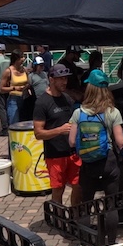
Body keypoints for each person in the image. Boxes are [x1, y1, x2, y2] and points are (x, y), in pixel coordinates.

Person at [74, 70, 123, 215]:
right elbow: (120, 142)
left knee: (86, 203)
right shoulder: (113, 112)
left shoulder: (79, 112)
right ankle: (110, 238)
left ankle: (85, 236)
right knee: (111, 204)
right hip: (108, 161)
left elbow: (72, 141)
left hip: (87, 163)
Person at [31, 63, 81, 206]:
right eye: (60, 79)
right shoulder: (42, 102)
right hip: (55, 154)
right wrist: (59, 130)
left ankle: (75, 216)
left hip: (72, 152)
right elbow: (38, 133)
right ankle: (59, 220)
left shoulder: (67, 98)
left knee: (78, 186)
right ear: (51, 79)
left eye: (65, 79)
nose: (64, 82)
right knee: (58, 189)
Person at [0, 51, 32, 125]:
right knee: (14, 123)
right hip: (14, 99)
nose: (23, 59)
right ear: (16, 59)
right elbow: (1, 89)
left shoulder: (24, 70)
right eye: (21, 57)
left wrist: (27, 86)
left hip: (25, 98)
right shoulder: (8, 71)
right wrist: (14, 88)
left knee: (26, 123)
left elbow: (28, 82)